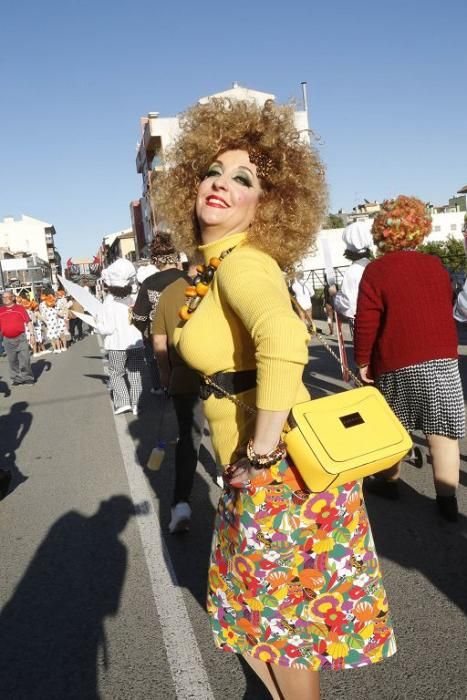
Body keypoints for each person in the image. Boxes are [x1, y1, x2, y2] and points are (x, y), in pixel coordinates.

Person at [153, 97, 396, 699]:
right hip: (259, 468)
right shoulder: (214, 269)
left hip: (276, 472)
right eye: (214, 171)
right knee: (272, 624)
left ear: (268, 204)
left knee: (285, 632)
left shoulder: (243, 263)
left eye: (245, 179)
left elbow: (285, 340)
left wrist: (261, 455)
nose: (221, 183)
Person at [354, 195, 464, 522]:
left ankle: (389, 482)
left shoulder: (376, 271)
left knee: (394, 429)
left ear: (381, 233)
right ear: (421, 229)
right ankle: (448, 503)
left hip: (397, 361)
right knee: (443, 432)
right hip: (443, 359)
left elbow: (367, 321)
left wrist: (363, 361)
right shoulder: (436, 266)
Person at [151, 262, 203, 533]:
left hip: (184, 376)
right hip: (227, 378)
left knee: (189, 439)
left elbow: (159, 339)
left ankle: (180, 503)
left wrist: (165, 371)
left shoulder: (171, 292)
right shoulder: (224, 280)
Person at [132, 233, 185, 395]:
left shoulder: (149, 283)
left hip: (161, 342)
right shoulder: (189, 279)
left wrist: (146, 330)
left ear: (155, 260)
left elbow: (139, 317)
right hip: (189, 336)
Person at [97, 258, 144, 415]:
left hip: (117, 345)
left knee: (116, 373)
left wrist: (97, 324)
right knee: (135, 373)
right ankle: (136, 403)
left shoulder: (109, 301)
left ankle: (123, 402)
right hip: (136, 343)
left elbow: (107, 328)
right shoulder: (135, 298)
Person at [332, 221, 372, 338]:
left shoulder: (352, 271)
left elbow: (347, 304)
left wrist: (335, 297)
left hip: (360, 321)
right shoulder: (374, 266)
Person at [0, 291, 35, 386]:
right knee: (12, 361)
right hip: (7, 340)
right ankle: (17, 379)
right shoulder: (0, 310)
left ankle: (28, 378)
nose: (5, 299)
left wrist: (32, 335)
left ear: (12, 298)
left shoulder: (20, 308)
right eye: (3, 297)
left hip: (20, 338)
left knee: (25, 359)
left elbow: (28, 322)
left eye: (7, 297)